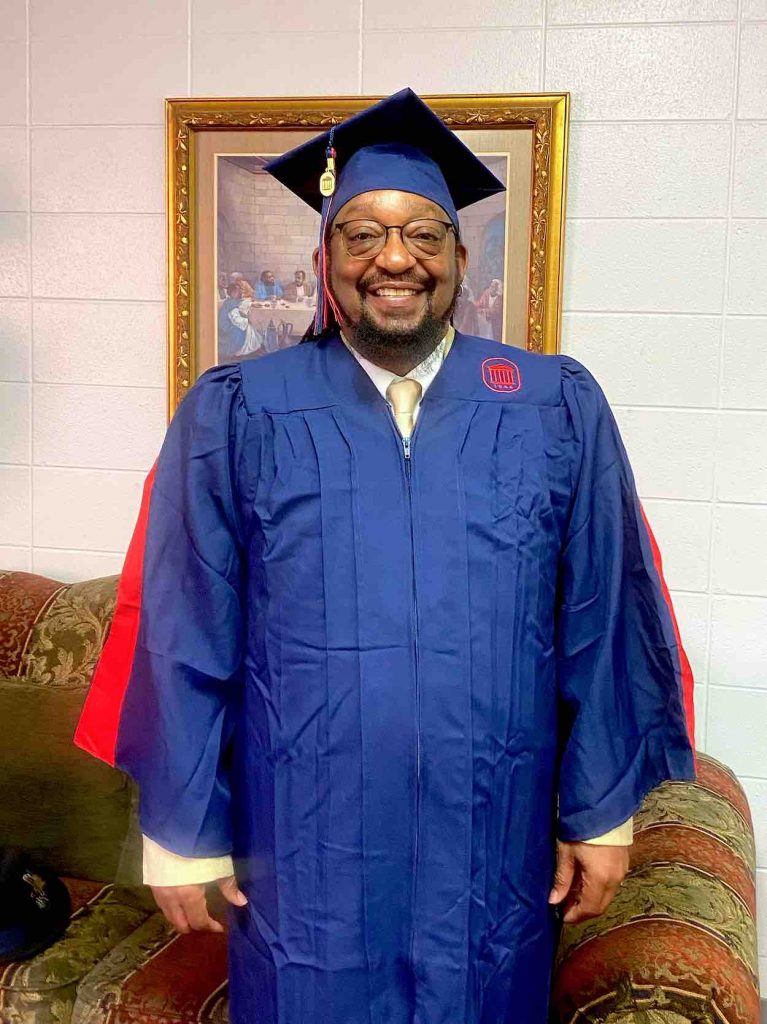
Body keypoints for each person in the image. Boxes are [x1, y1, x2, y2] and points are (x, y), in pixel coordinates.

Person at [74, 88, 695, 1024]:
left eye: (423, 235)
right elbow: (182, 619)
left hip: (493, 831)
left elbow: (603, 612)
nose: (392, 258)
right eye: (360, 235)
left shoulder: (553, 406)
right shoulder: (238, 410)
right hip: (303, 842)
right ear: (325, 260)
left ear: (460, 256)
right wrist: (182, 833)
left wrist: (599, 814)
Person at [216, 281, 246, 360]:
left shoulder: (233, 300)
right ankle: (234, 352)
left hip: (232, 323)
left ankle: (239, 350)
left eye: (240, 290)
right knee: (240, 331)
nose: (239, 293)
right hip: (227, 326)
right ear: (231, 293)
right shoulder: (230, 303)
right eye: (236, 291)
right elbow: (233, 317)